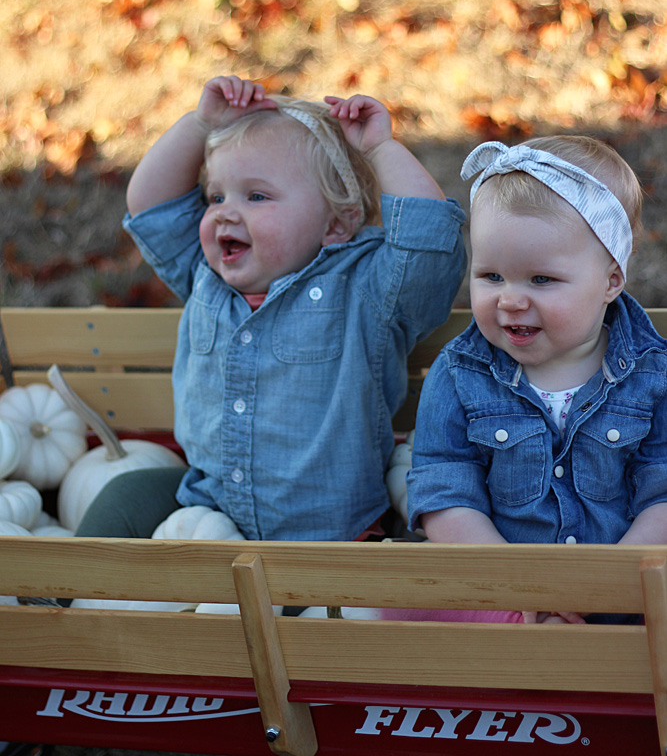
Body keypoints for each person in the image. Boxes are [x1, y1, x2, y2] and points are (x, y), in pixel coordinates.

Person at [77, 75, 467, 543]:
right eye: (215, 196)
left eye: (256, 196)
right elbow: (150, 206)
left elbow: (427, 244)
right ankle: (54, 598)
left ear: (336, 223)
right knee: (124, 496)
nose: (225, 211)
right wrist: (200, 124)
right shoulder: (205, 276)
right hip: (210, 512)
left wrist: (381, 148)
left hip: (330, 539)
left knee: (322, 610)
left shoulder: (365, 289)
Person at [406, 135, 667, 624]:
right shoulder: (461, 373)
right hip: (499, 589)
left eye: (541, 280)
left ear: (611, 278)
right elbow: (445, 490)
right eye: (491, 276)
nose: (511, 300)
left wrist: (605, 587)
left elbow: (662, 492)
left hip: (630, 589)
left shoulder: (653, 375)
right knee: (411, 607)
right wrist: (516, 589)